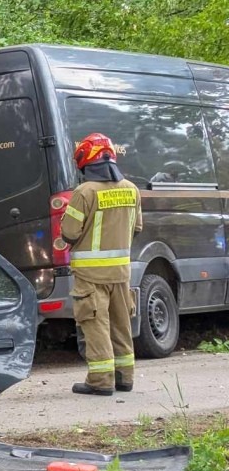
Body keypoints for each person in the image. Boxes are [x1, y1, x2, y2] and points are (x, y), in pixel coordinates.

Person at [56, 133, 143, 396]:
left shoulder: (84, 192)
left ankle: (100, 381)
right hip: (121, 273)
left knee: (95, 325)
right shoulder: (131, 189)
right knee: (121, 325)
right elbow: (137, 228)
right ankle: (124, 377)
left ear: (85, 162)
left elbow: (69, 233)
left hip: (90, 275)